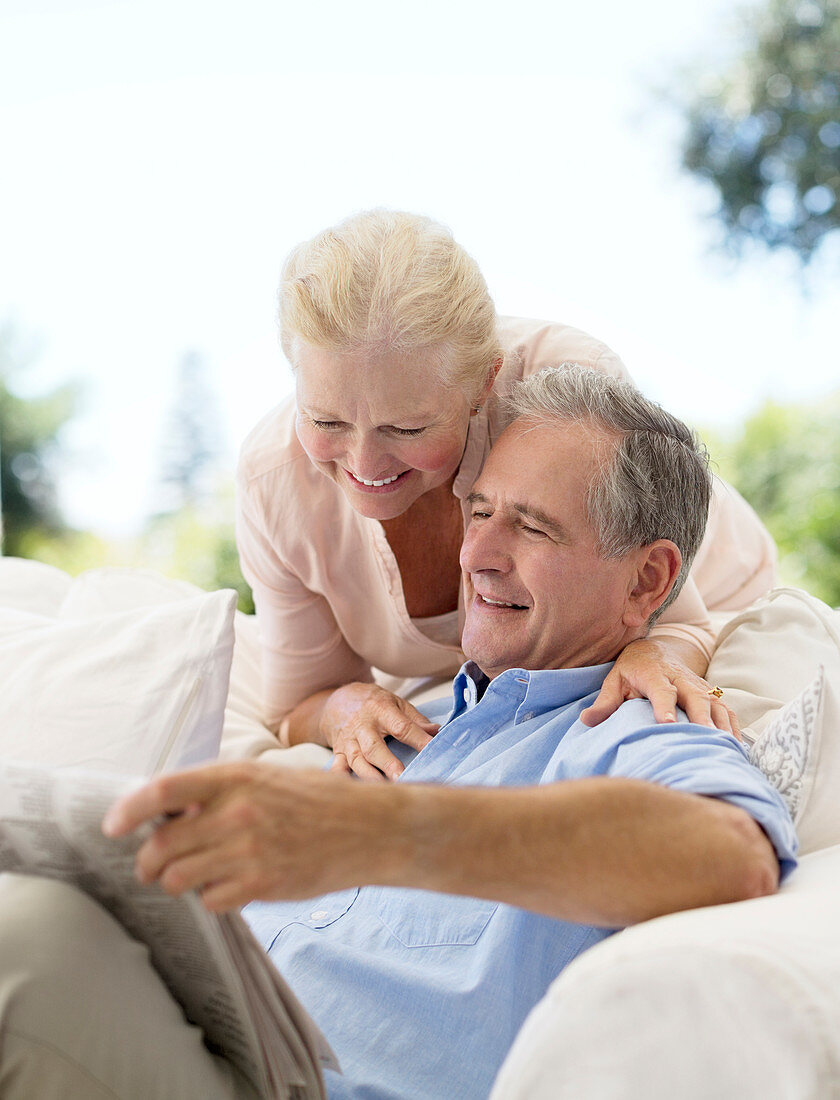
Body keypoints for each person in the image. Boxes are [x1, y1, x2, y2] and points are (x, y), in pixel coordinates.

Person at [0, 366, 796, 1100]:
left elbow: (730, 854)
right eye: (478, 511)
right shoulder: (415, 724)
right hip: (199, 1028)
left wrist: (376, 831)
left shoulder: (626, 729)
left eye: (533, 528)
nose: (477, 554)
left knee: (31, 941)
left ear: (647, 579)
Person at [236, 209, 777, 778]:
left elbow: (672, 622)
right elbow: (301, 702)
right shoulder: (274, 481)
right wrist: (343, 707)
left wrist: (655, 652)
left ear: (484, 385)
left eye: (409, 429)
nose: (364, 465)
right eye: (325, 421)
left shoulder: (568, 385)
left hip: (709, 605)